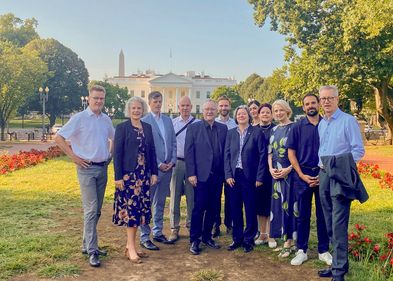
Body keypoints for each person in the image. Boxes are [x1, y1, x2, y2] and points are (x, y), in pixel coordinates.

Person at [54, 85, 114, 267]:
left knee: (96, 211)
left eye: (102, 99)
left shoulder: (105, 120)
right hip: (86, 169)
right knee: (90, 209)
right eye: (96, 98)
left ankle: (86, 244)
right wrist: (74, 157)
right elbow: (58, 138)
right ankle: (93, 251)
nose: (99, 101)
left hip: (102, 169)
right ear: (89, 98)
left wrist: (109, 155)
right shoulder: (79, 119)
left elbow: (114, 138)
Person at [317, 86, 368, 281]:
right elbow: (322, 149)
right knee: (329, 223)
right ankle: (336, 264)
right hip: (323, 176)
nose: (326, 102)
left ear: (338, 99)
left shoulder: (348, 121)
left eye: (330, 98)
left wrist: (337, 164)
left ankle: (339, 272)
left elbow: (358, 151)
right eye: (323, 98)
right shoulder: (323, 124)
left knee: (338, 224)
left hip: (340, 177)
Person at [287, 93, 331, 266]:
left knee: (323, 215)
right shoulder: (297, 127)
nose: (310, 106)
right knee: (303, 215)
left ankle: (323, 250)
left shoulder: (327, 125)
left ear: (318, 104)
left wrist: (323, 174)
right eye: (307, 104)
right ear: (303, 107)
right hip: (302, 176)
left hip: (323, 175)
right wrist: (301, 174)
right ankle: (301, 250)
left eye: (313, 102)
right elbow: (291, 153)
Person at [112, 97, 158, 264]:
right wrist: (117, 176)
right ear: (129, 110)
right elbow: (117, 154)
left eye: (139, 108)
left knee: (139, 212)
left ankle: (129, 246)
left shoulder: (147, 127)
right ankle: (131, 248)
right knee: (131, 213)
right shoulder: (122, 128)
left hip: (144, 176)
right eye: (134, 108)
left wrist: (154, 172)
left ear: (143, 109)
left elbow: (152, 152)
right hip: (128, 177)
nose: (136, 111)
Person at [185, 100, 228, 255]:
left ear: (216, 111)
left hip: (217, 176)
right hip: (200, 176)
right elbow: (189, 152)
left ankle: (207, 236)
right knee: (199, 208)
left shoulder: (223, 129)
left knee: (213, 207)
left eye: (212, 109)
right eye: (207, 109)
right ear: (202, 111)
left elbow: (225, 152)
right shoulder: (194, 128)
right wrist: (191, 173)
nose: (210, 112)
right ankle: (194, 240)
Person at [224, 105, 267, 253]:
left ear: (249, 116)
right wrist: (228, 175)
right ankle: (237, 239)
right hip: (234, 177)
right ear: (236, 117)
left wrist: (260, 176)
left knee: (250, 209)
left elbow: (263, 155)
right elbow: (227, 156)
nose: (241, 116)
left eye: (244, 113)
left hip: (250, 177)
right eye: (239, 114)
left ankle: (248, 239)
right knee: (235, 208)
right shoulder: (230, 133)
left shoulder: (256, 132)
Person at [139, 91, 177, 250]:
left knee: (160, 202)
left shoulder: (168, 120)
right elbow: (144, 148)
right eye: (155, 101)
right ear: (149, 102)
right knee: (146, 203)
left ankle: (158, 231)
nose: (158, 104)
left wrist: (173, 161)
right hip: (152, 170)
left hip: (168, 169)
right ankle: (144, 236)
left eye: (160, 101)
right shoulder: (144, 121)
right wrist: (159, 163)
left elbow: (173, 143)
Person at [168, 96, 199, 243]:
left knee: (191, 197)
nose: (185, 108)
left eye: (187, 105)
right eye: (182, 106)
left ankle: (191, 225)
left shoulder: (198, 124)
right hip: (177, 163)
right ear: (178, 107)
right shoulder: (172, 123)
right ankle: (174, 228)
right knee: (174, 196)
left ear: (191, 107)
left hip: (193, 164)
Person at [268, 99, 296, 258]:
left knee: (290, 207)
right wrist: (271, 169)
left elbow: (298, 153)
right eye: (275, 111)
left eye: (280, 110)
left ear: (287, 110)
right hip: (276, 175)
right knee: (278, 206)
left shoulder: (294, 128)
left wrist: (288, 169)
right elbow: (270, 153)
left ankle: (289, 242)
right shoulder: (273, 130)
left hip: (289, 174)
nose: (278, 113)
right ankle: (284, 240)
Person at [214, 95, 236, 236]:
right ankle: (215, 224)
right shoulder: (213, 122)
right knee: (215, 197)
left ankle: (230, 224)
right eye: (221, 105)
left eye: (226, 105)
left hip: (231, 166)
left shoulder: (235, 123)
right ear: (218, 108)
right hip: (216, 166)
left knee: (231, 197)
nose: (223, 108)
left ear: (229, 106)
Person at [254, 103, 274, 246]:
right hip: (257, 172)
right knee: (260, 203)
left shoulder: (276, 130)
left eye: (268, 112)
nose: (265, 115)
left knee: (272, 204)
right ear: (258, 115)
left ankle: (271, 234)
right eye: (263, 112)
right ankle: (262, 234)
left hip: (273, 171)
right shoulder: (253, 130)